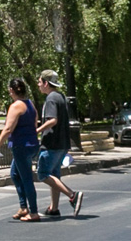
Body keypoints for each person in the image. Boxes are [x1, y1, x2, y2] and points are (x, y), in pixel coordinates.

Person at [0, 78, 42, 222]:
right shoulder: (30, 104)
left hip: (21, 146)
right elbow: (35, 121)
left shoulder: (16, 106)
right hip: (32, 144)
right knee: (15, 174)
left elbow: (8, 128)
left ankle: (34, 212)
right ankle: (23, 207)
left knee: (26, 179)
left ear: (11, 90)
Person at [36, 70, 84, 217]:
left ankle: (72, 195)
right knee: (54, 175)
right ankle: (54, 208)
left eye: (39, 82)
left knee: (43, 174)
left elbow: (52, 120)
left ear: (46, 83)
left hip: (52, 143)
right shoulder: (60, 97)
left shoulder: (51, 98)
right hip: (62, 143)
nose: (38, 85)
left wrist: (37, 130)